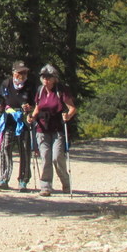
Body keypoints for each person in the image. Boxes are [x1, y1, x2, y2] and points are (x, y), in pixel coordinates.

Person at [26, 64, 78, 196]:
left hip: (57, 128)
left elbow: (72, 108)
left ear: (55, 78)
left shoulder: (61, 91)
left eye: (48, 77)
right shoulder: (40, 90)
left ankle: (65, 183)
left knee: (56, 157)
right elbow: (38, 107)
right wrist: (32, 116)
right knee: (45, 157)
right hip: (41, 128)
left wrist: (67, 116)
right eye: (43, 77)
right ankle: (46, 186)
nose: (45, 80)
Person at [0, 61, 36, 191]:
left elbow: (36, 102)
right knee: (5, 147)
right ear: (14, 73)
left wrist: (31, 107)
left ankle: (23, 179)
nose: (23, 74)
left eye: (25, 72)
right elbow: (0, 98)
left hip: (24, 119)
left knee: (24, 149)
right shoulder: (6, 84)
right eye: (20, 72)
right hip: (9, 119)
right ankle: (4, 178)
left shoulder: (30, 85)